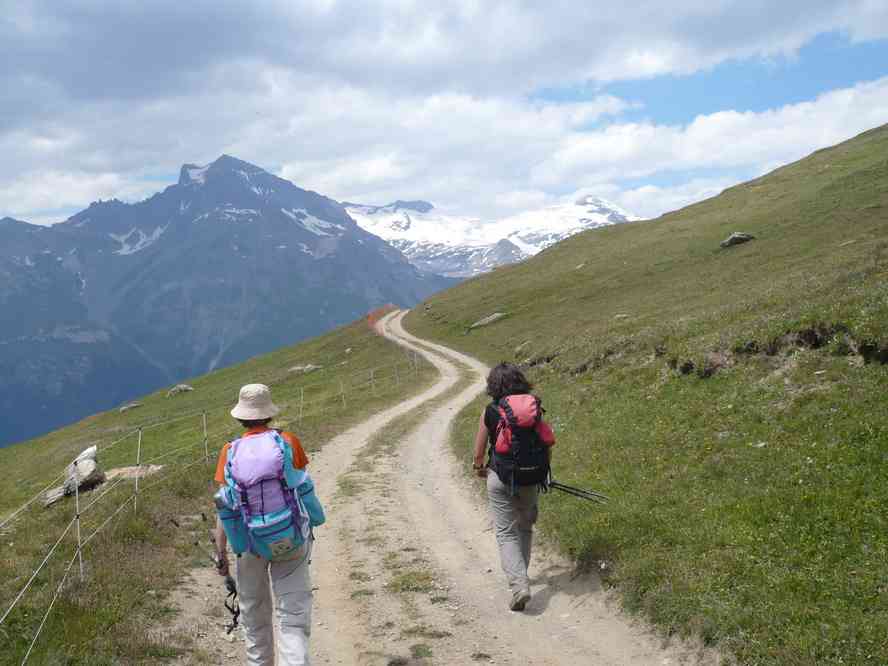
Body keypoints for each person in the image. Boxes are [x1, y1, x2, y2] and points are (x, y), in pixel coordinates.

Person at [213, 383, 314, 665]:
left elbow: (224, 507)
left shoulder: (229, 451)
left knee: (254, 619)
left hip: (249, 545)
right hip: (291, 537)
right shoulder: (288, 441)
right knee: (292, 618)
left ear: (240, 417)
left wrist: (221, 554)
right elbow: (301, 486)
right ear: (269, 413)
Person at [472, 363, 554, 612]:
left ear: (493, 385)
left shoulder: (491, 410)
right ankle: (522, 578)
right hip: (531, 478)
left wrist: (479, 467)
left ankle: (519, 586)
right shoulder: (533, 408)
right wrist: (543, 473)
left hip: (500, 476)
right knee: (525, 528)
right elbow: (547, 442)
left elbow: (479, 450)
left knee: (506, 532)